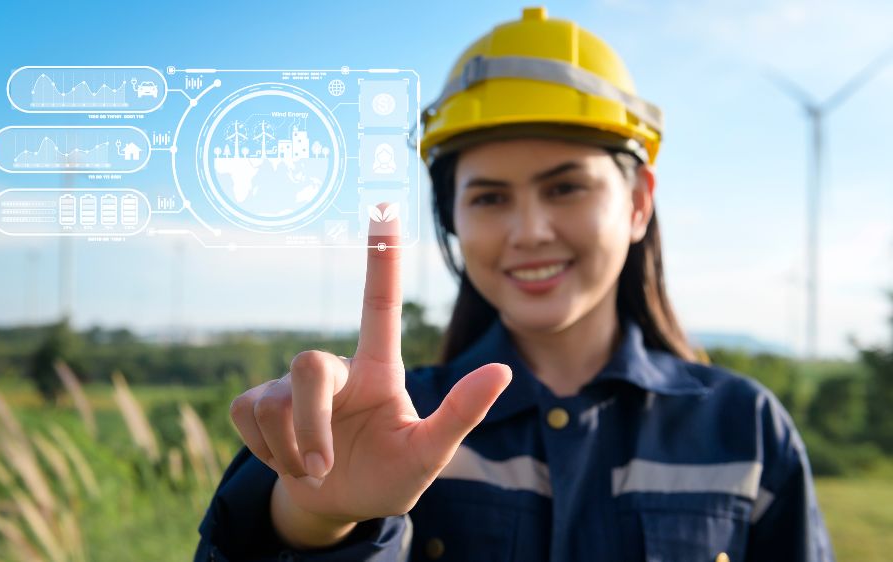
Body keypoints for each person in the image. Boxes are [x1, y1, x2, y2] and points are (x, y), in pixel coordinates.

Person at [194, 6, 834, 561]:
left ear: (639, 201)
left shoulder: (744, 428)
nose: (529, 231)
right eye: (491, 198)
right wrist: (315, 519)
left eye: (565, 187)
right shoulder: (387, 425)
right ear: (453, 221)